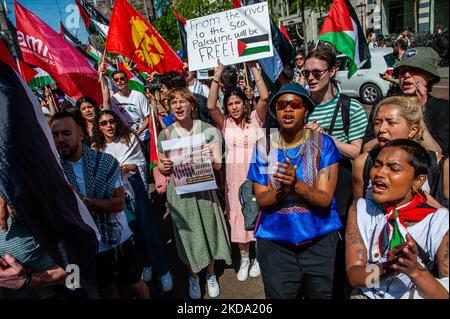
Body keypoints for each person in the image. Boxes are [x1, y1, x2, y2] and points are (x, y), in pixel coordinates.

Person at [247, 83, 342, 299]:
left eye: (295, 104)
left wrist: (296, 184)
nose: (287, 110)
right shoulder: (265, 147)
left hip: (319, 242)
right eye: (281, 105)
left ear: (306, 110)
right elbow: (262, 198)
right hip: (276, 246)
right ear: (276, 111)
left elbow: (325, 198)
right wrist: (282, 190)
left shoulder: (323, 144)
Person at [51, 111, 150, 299]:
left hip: (118, 239)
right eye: (55, 135)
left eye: (66, 133)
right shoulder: (54, 171)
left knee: (135, 282)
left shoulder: (106, 162)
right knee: (106, 289)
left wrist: (83, 202)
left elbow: (118, 203)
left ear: (80, 134)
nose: (60, 139)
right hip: (86, 246)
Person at [346, 139, 448, 299]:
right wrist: (389, 268)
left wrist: (414, 270)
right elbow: (354, 276)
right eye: (378, 165)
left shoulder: (440, 222)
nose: (379, 173)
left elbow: (443, 295)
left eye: (393, 168)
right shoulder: (361, 210)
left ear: (418, 180)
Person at [157, 87, 232, 299]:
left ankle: (210, 275)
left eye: (182, 102)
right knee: (188, 236)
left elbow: (218, 165)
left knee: (208, 231)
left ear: (191, 105)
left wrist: (211, 155)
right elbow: (162, 168)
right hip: (180, 195)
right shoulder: (166, 134)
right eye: (173, 103)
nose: (178, 106)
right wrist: (165, 166)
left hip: (204, 190)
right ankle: (193, 276)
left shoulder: (208, 130)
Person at [91, 110, 173, 292]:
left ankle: (163, 270)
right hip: (116, 194)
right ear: (98, 127)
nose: (108, 126)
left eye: (111, 121)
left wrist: (133, 167)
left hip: (135, 188)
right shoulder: (96, 149)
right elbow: (96, 177)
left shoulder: (128, 138)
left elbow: (142, 162)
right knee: (133, 230)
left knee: (148, 229)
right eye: (103, 123)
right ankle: (147, 263)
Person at [207, 59, 269, 282]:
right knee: (239, 216)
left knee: (260, 215)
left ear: (245, 104)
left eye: (237, 103)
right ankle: (244, 258)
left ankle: (259, 258)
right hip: (234, 179)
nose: (234, 107)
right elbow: (211, 106)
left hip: (257, 177)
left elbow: (264, 97)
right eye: (230, 103)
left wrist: (253, 67)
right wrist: (217, 76)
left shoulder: (256, 120)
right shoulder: (225, 125)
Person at [353, 96, 448, 206]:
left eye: (391, 122)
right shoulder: (363, 162)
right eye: (377, 122)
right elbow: (355, 207)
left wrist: (421, 197)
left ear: (413, 130)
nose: (381, 129)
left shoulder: (440, 164)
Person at [364, 47, 448, 156]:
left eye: (414, 70)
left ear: (430, 75)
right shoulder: (384, 105)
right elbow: (366, 148)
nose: (406, 75)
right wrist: (392, 134)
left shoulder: (443, 109)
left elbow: (437, 154)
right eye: (402, 71)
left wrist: (418, 115)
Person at [103, 70, 151, 154]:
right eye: (116, 80)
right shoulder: (113, 100)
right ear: (114, 83)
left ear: (126, 80)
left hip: (145, 137)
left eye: (122, 78)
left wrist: (138, 133)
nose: (120, 81)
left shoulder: (139, 95)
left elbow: (148, 117)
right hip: (128, 139)